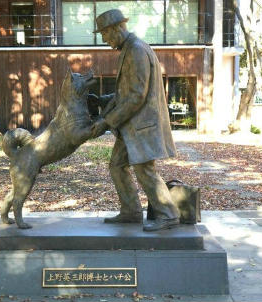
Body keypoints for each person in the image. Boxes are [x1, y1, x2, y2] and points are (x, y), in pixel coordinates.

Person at [88, 9, 180, 231]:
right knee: (117, 166)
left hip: (141, 125)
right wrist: (103, 100)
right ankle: (131, 211)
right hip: (131, 126)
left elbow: (137, 96)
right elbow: (126, 92)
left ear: (118, 28)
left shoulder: (136, 50)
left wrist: (107, 121)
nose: (104, 39)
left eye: (106, 34)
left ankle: (169, 214)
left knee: (144, 169)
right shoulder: (129, 49)